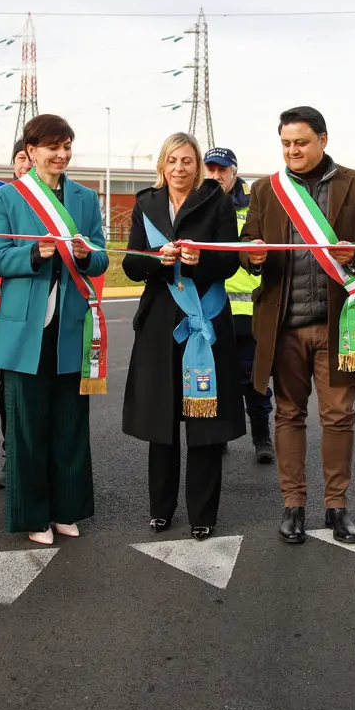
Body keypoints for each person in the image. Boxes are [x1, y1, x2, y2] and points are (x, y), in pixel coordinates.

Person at [241, 105, 355, 545]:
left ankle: (337, 506)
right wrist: (254, 254)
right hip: (283, 325)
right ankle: (294, 504)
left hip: (338, 323)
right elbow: (250, 240)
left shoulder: (354, 182)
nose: (293, 151)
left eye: (301, 143)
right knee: (287, 414)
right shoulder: (267, 188)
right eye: (285, 144)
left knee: (339, 416)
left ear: (323, 140)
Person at [0, 114, 108, 546]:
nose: (61, 154)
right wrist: (34, 254)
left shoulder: (85, 198)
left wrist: (85, 253)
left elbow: (102, 258)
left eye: (67, 145)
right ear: (31, 150)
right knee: (28, 429)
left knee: (71, 425)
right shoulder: (8, 198)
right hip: (25, 331)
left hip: (71, 327)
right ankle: (33, 516)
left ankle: (66, 509)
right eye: (52, 146)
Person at [123, 133, 243, 539]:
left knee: (204, 415)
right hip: (159, 323)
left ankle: (203, 514)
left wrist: (201, 259)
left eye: (187, 161)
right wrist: (159, 260)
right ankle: (161, 508)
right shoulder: (146, 205)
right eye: (172, 160)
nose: (179, 168)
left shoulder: (217, 201)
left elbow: (229, 262)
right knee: (163, 417)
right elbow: (132, 265)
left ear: (197, 166)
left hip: (205, 321)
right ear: (162, 164)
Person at [204, 146, 274, 464]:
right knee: (215, 378)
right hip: (212, 311)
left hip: (249, 312)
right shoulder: (200, 204)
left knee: (254, 380)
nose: (216, 175)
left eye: (222, 170)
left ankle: (262, 438)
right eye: (211, 169)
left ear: (234, 172)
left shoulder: (254, 204)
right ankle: (219, 436)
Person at [0, 141, 32, 490]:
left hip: (49, 314)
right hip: (1, 313)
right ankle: (11, 456)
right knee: (8, 389)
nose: (27, 164)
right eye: (21, 158)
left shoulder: (69, 200)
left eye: (33, 157)